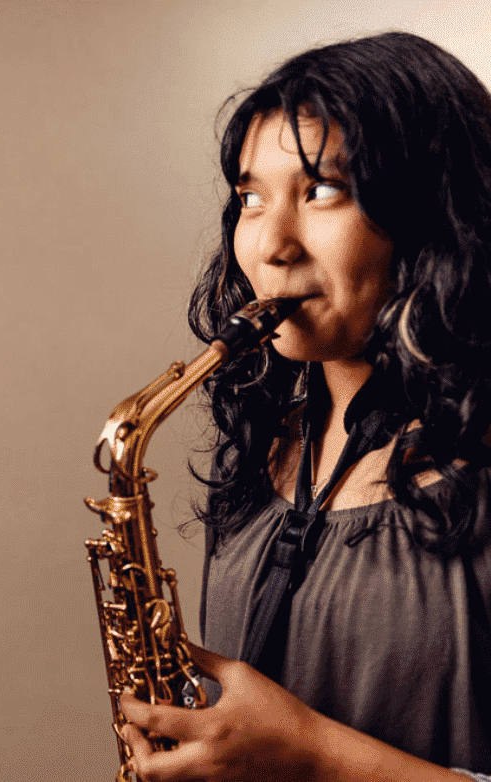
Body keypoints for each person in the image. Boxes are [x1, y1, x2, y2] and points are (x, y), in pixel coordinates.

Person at [118, 32, 491, 781]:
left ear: (433, 213)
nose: (270, 246)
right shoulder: (270, 445)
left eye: (321, 191)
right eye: (251, 200)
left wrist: (313, 757)